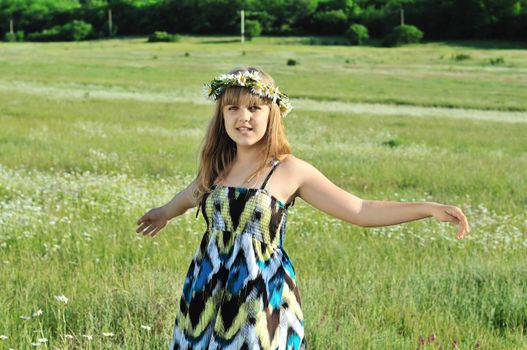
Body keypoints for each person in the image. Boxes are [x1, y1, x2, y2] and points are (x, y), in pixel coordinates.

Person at [135, 66, 470, 350]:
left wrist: (426, 208)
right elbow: (188, 196)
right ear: (221, 115)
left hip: (260, 293)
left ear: (272, 114)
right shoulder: (217, 166)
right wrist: (164, 212)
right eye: (233, 109)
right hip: (205, 289)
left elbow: (360, 209)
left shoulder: (289, 170)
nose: (243, 118)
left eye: (255, 108)